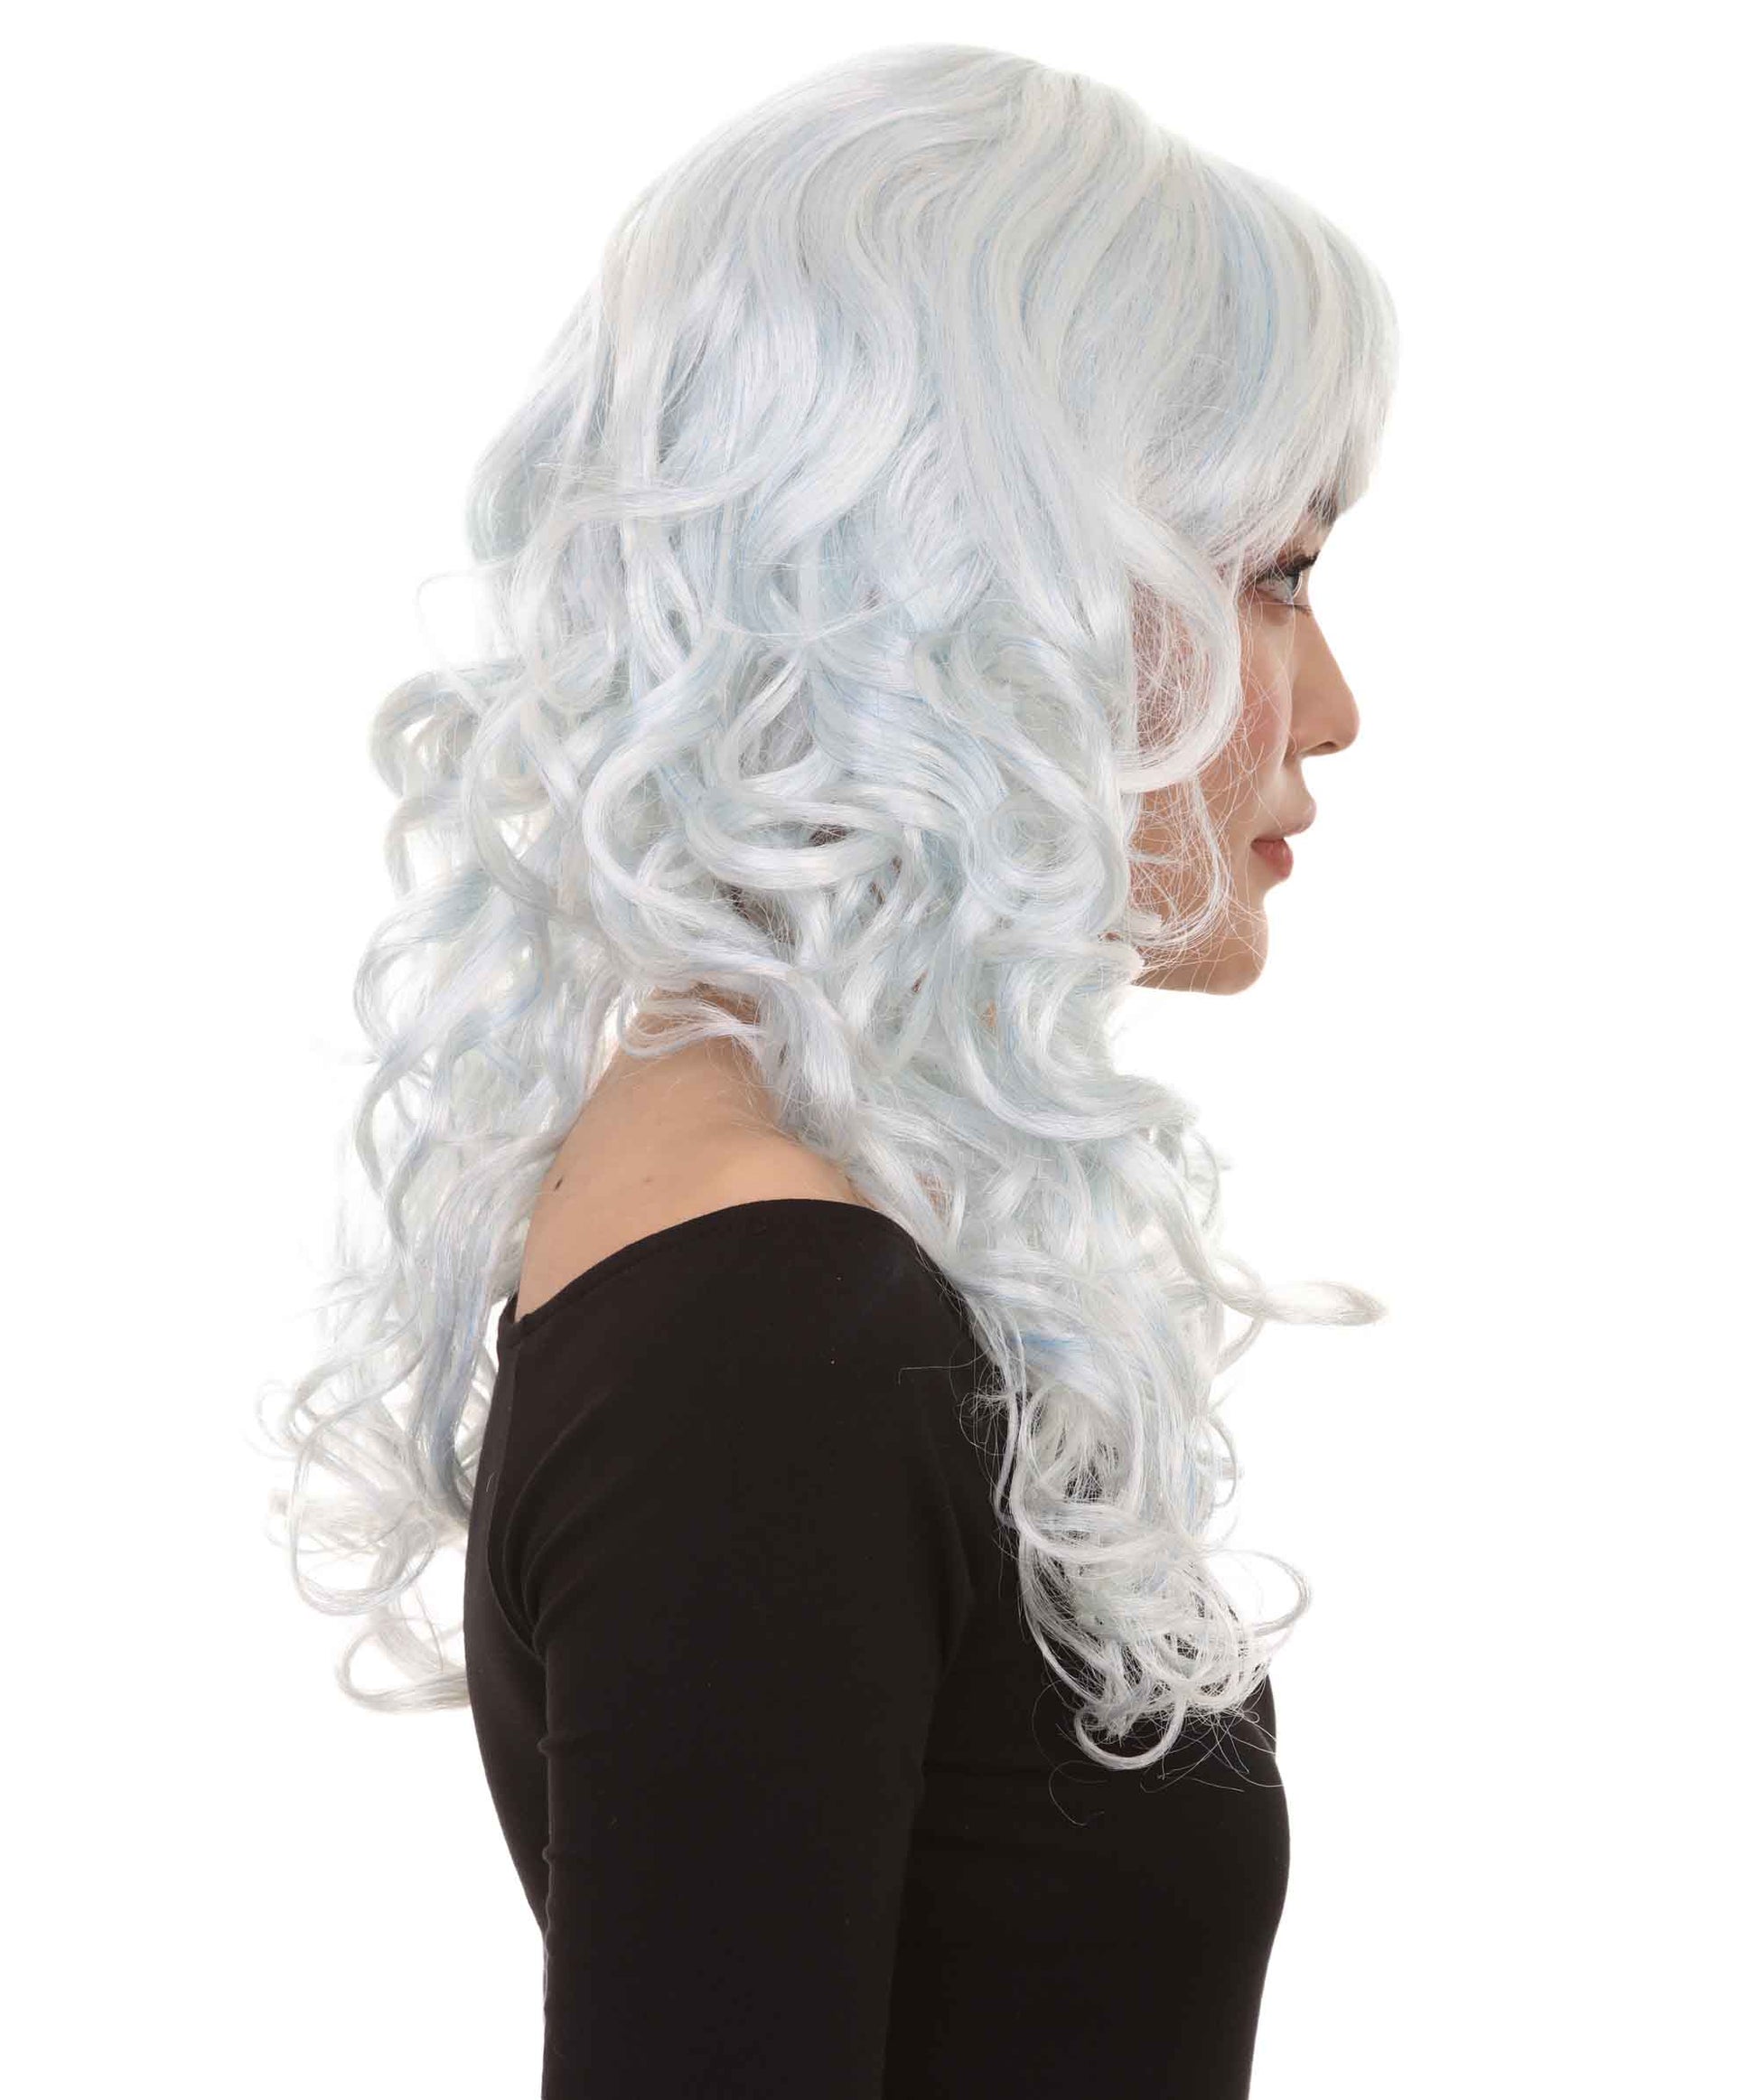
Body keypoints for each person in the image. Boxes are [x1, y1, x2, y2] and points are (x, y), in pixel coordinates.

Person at [260, 41, 1398, 2097]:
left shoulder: (797, 1264)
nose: (1332, 705)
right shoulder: (771, 1327)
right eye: (1276, 577)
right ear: (978, 580)